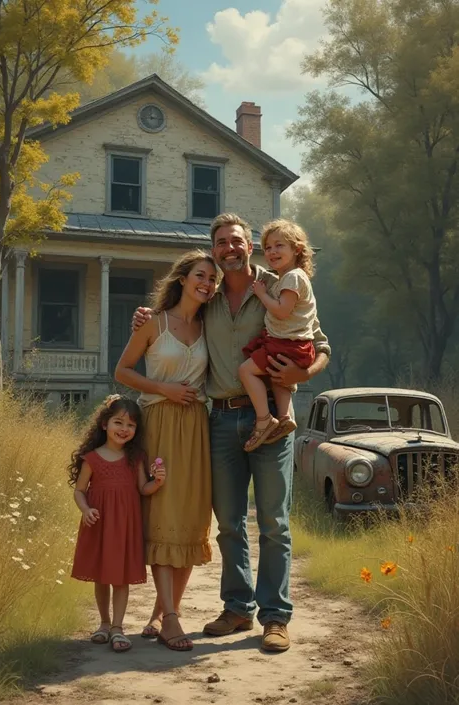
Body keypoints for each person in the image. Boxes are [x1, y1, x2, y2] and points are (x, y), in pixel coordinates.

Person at [133, 213, 330, 653]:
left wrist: (305, 370)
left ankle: (275, 617)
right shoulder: (209, 296)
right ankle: (237, 608)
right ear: (215, 249)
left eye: (237, 240)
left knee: (275, 523)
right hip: (219, 420)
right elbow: (173, 317)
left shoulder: (280, 285)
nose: (229, 248)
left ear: (249, 246)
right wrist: (145, 317)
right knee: (228, 524)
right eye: (221, 242)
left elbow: (320, 344)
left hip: (274, 421)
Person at [115, 249, 217, 652]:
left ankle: (161, 611)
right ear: (182, 278)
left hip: (196, 428)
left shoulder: (212, 325)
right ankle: (173, 618)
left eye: (212, 279)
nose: (206, 283)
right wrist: (165, 389)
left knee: (191, 518)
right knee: (162, 515)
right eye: (200, 275)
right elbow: (122, 370)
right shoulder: (153, 323)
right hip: (158, 425)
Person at [69, 395, 166, 653]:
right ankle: (103, 623)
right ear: (104, 424)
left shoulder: (135, 458)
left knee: (120, 577)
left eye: (131, 425)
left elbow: (143, 489)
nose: (124, 429)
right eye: (118, 422)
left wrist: (156, 482)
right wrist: (86, 509)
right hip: (99, 523)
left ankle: (118, 628)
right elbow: (79, 491)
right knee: (100, 576)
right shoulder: (91, 458)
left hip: (124, 526)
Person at [239, 219, 318, 452]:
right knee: (278, 377)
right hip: (297, 346)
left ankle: (264, 419)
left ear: (297, 249)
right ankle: (284, 417)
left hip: (285, 343)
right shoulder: (291, 277)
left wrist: (261, 294)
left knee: (245, 370)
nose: (272, 251)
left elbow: (282, 311)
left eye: (279, 246)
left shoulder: (293, 277)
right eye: (268, 247)